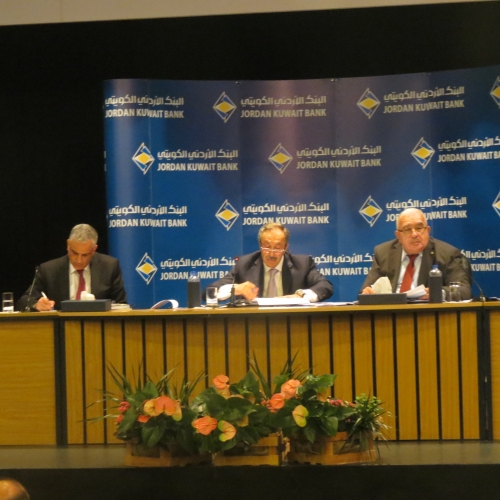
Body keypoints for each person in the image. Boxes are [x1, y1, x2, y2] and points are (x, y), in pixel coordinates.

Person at [361, 208, 471, 299]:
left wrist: (437, 293)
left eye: (419, 228)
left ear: (427, 230)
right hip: (390, 313)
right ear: (398, 235)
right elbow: (366, 290)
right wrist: (367, 292)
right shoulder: (383, 252)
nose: (414, 234)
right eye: (407, 229)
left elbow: (464, 291)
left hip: (427, 314)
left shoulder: (447, 253)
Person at [206, 222, 333, 302]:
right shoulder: (245, 264)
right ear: (260, 245)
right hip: (255, 326)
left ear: (286, 247)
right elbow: (209, 292)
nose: (271, 254)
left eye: (277, 248)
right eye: (267, 247)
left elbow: (325, 286)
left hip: (293, 324)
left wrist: (300, 296)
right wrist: (235, 288)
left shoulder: (302, 264)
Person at [17, 224, 127, 311]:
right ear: (68, 245)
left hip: (98, 327)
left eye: (85, 255)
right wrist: (36, 304)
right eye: (74, 253)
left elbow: (121, 304)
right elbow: (24, 302)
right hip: (62, 329)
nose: (79, 260)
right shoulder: (49, 270)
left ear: (94, 250)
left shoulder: (109, 266)